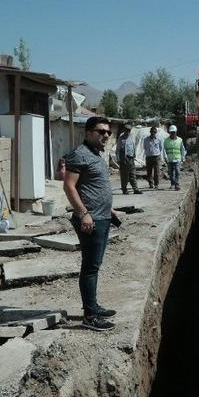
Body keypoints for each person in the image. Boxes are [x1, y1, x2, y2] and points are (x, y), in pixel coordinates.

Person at [62, 116, 121, 331]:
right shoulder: (80, 155)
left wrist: (109, 209)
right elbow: (69, 187)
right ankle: (89, 316)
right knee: (90, 268)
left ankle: (93, 306)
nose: (105, 135)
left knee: (94, 267)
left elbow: (94, 187)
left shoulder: (96, 154)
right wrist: (83, 213)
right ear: (88, 132)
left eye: (108, 132)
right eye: (100, 131)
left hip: (102, 217)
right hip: (91, 221)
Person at [116, 125, 142, 195]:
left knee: (133, 174)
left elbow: (133, 147)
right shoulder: (121, 139)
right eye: (126, 130)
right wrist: (118, 159)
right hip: (124, 159)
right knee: (124, 175)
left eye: (129, 130)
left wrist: (134, 156)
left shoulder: (131, 137)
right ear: (124, 130)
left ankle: (135, 189)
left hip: (131, 158)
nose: (128, 132)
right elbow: (118, 149)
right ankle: (124, 189)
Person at [163, 125, 186, 190]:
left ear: (176, 132)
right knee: (171, 173)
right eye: (171, 132)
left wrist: (183, 157)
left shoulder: (180, 140)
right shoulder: (166, 140)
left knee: (177, 172)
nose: (172, 133)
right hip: (169, 159)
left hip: (177, 159)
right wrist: (165, 157)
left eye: (173, 132)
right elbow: (164, 149)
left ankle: (177, 185)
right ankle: (172, 184)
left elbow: (182, 149)